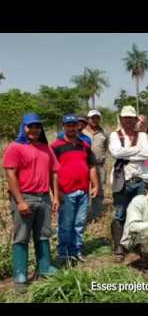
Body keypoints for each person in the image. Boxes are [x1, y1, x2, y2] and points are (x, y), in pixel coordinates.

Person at [3, 113, 60, 290]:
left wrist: (55, 196)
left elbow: (54, 173)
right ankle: (20, 275)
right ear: (24, 127)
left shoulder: (46, 147)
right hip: (24, 197)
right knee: (21, 237)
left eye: (37, 126)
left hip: (43, 197)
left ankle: (44, 267)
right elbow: (10, 174)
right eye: (30, 126)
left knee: (43, 234)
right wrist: (20, 201)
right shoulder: (15, 147)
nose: (34, 129)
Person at [51, 114, 99, 265]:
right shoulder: (56, 146)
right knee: (65, 225)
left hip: (83, 191)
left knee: (79, 224)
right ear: (63, 126)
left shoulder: (84, 145)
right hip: (66, 192)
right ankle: (63, 253)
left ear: (78, 126)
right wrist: (56, 193)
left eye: (74, 125)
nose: (72, 128)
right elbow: (52, 172)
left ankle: (76, 250)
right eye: (68, 125)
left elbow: (91, 166)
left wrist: (95, 185)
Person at [109, 105, 148, 263]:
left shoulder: (143, 136)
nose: (128, 121)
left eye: (131, 118)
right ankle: (119, 247)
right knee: (120, 214)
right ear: (121, 119)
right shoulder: (115, 135)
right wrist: (136, 150)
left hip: (140, 180)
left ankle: (140, 245)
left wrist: (126, 153)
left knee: (140, 213)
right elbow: (115, 153)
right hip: (122, 180)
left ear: (135, 120)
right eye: (125, 118)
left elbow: (147, 153)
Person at [83, 109, 109, 221]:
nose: (94, 120)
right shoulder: (82, 131)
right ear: (88, 119)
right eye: (92, 118)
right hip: (84, 165)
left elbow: (106, 147)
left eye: (97, 118)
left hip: (99, 165)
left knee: (99, 190)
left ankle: (96, 216)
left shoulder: (104, 133)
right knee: (83, 190)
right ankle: (83, 215)